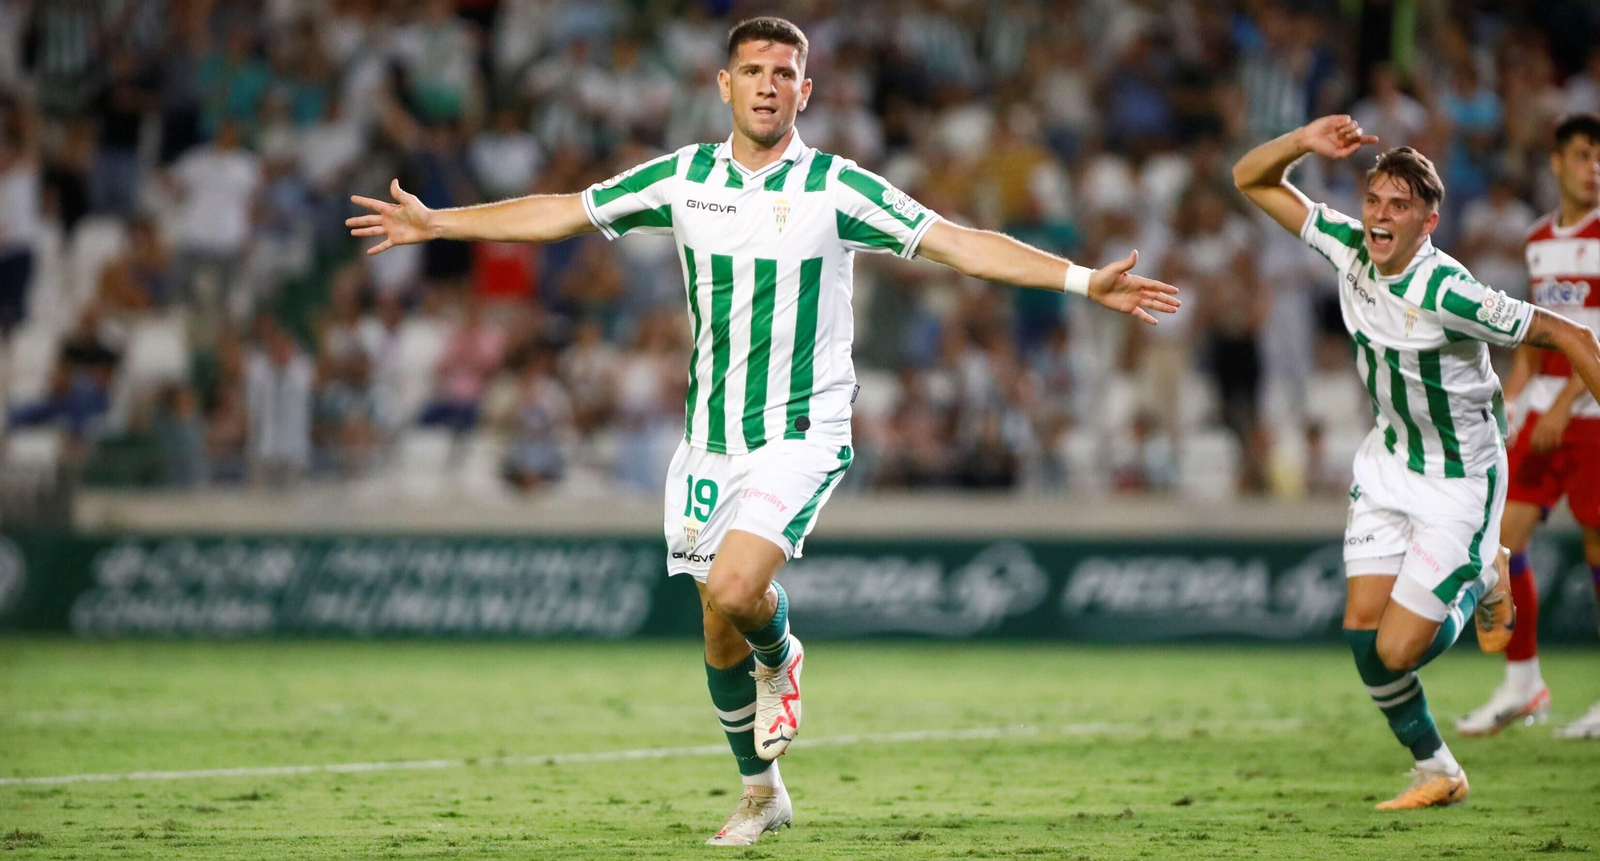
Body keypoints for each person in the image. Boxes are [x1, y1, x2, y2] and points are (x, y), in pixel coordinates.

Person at [349, 16, 1178, 846]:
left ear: (804, 91)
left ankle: (781, 656)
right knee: (716, 617)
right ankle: (762, 790)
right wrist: (440, 222)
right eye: (752, 70)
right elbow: (565, 211)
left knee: (742, 591)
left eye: (784, 72)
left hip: (801, 428)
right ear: (725, 85)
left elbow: (956, 244)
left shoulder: (835, 186)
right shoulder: (682, 178)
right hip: (710, 437)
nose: (768, 84)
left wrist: (1078, 279)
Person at [1233, 115, 1600, 809]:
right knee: (1361, 636)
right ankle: (1441, 770)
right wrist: (1300, 142)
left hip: (1460, 479)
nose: (1378, 216)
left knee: (1398, 651)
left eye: (1398, 207)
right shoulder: (1348, 246)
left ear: (1429, 221)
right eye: (1374, 201)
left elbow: (1568, 331)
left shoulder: (1450, 293)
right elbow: (1247, 178)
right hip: (1388, 464)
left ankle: (1487, 574)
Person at [1458, 113, 1600, 739]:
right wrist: (1514, 396)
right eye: (1581, 156)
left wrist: (1569, 401)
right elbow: (1541, 332)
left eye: (1598, 157)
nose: (1591, 167)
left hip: (1590, 412)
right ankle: (1523, 685)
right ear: (1556, 163)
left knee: (1598, 549)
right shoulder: (1539, 238)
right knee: (1500, 542)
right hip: (1542, 410)